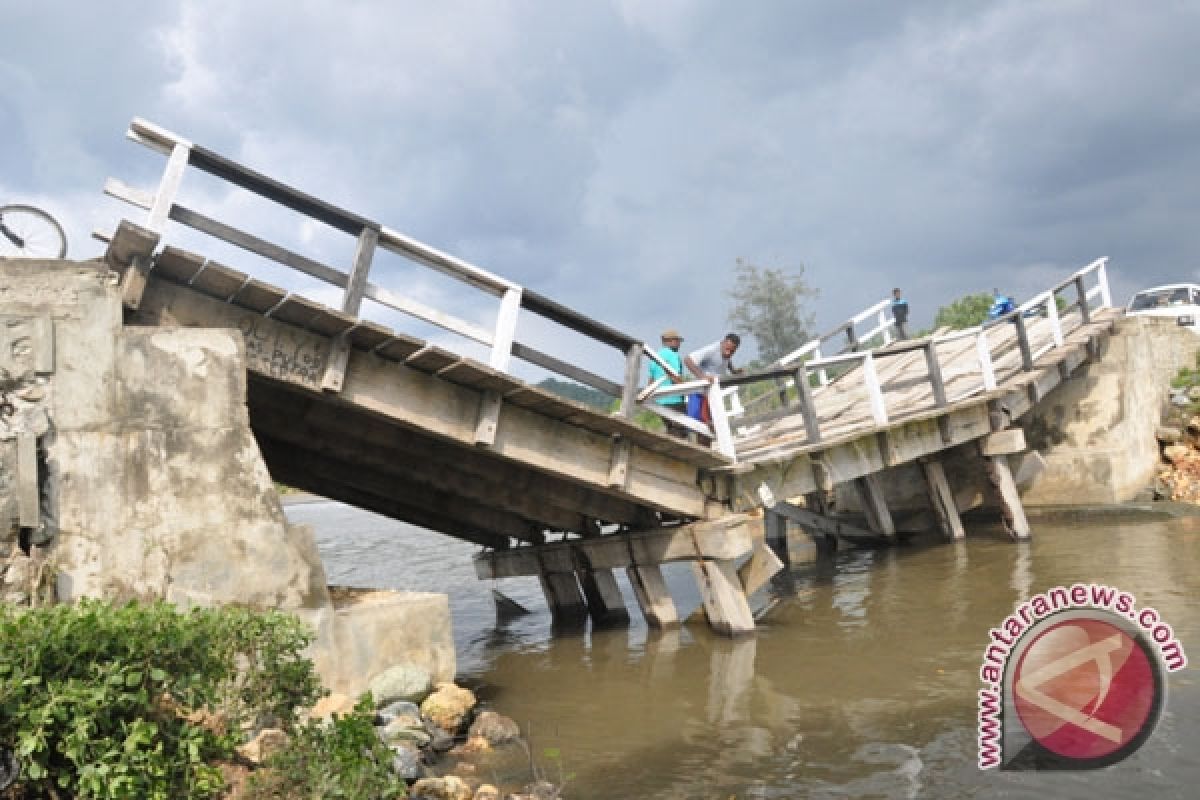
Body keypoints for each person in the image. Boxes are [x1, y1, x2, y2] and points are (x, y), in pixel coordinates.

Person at [683, 333, 744, 424]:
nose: (729, 353)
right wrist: (702, 377)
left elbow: (726, 360)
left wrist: (733, 370)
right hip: (699, 392)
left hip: (713, 392)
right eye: (727, 349)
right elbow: (687, 360)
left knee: (713, 421)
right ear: (723, 343)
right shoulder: (712, 350)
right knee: (695, 422)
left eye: (732, 351)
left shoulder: (727, 352)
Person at [647, 328, 688, 437]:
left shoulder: (654, 357)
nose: (679, 344)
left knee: (671, 430)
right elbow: (674, 377)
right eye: (678, 341)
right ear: (671, 341)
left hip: (660, 401)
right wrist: (688, 391)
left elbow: (650, 382)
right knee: (681, 432)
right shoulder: (672, 355)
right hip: (674, 400)